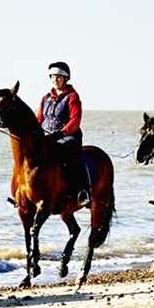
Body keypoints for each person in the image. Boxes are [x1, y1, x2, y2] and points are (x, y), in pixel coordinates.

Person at [37, 61, 89, 207]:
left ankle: (82, 191)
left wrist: (61, 134)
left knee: (71, 158)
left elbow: (75, 121)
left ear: (65, 79)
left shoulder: (72, 97)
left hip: (68, 137)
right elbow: (39, 119)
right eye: (53, 77)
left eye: (59, 77)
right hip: (48, 137)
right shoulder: (45, 98)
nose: (55, 80)